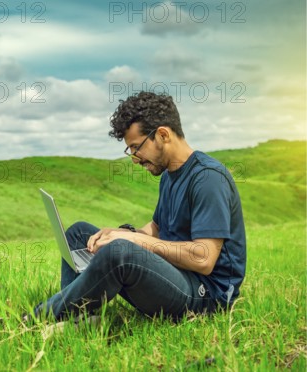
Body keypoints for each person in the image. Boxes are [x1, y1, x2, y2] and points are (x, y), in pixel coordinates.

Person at [31, 91, 246, 321]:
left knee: (119, 252)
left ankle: (37, 317)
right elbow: (157, 226)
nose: (134, 158)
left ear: (163, 135)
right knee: (79, 234)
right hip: (176, 274)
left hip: (207, 296)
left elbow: (204, 259)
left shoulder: (208, 178)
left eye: (136, 147)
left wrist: (132, 241)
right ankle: (77, 316)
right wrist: (123, 233)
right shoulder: (169, 175)